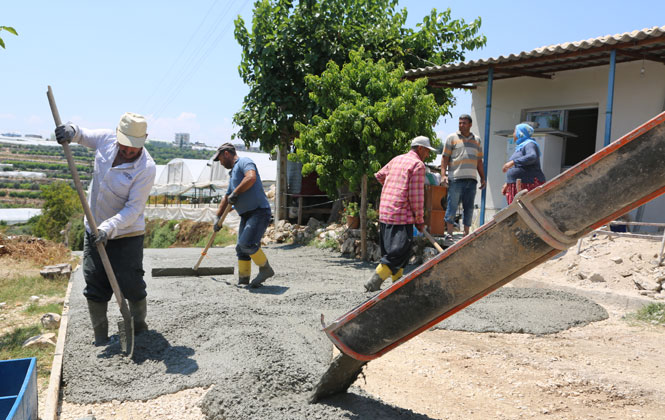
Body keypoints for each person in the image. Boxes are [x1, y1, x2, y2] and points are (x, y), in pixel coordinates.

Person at [55, 113, 156, 346]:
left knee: (130, 282)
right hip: (93, 227)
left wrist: (108, 228)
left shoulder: (146, 168)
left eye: (134, 148)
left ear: (145, 140)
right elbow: (82, 134)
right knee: (94, 280)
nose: (129, 151)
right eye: (125, 146)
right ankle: (100, 337)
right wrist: (70, 131)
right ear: (118, 135)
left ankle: (139, 329)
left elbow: (133, 208)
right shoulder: (107, 140)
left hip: (126, 232)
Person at [364, 136, 435, 292]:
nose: (428, 155)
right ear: (420, 148)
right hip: (401, 215)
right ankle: (374, 281)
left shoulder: (397, 159)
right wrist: (419, 219)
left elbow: (379, 175)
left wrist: (394, 188)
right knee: (398, 252)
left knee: (397, 253)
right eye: (427, 151)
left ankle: (398, 287)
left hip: (386, 211)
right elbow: (416, 197)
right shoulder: (418, 165)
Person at [212, 143, 274, 287]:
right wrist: (218, 218)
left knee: (246, 244)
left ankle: (266, 269)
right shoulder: (233, 173)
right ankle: (243, 279)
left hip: (259, 211)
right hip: (246, 214)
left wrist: (236, 192)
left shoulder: (244, 162)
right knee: (241, 249)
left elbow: (251, 178)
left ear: (226, 153)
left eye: (220, 159)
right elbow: (228, 196)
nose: (220, 163)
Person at [441, 114, 486, 239]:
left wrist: (483, 178)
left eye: (464, 123)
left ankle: (466, 233)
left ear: (470, 125)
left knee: (469, 207)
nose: (461, 125)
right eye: (460, 123)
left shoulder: (477, 140)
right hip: (455, 179)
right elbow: (445, 158)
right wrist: (443, 175)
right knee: (452, 205)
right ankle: (449, 233)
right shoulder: (452, 138)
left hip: (471, 180)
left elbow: (479, 161)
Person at [501, 123, 546, 204]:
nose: (513, 134)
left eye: (515, 131)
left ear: (520, 133)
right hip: (517, 184)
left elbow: (532, 156)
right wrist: (507, 183)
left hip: (528, 184)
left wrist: (513, 162)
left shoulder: (530, 144)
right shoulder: (520, 147)